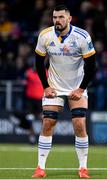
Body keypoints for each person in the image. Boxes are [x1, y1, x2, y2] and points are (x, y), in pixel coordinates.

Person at [32, 5, 96, 179]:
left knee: (79, 125)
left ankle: (83, 168)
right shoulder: (45, 35)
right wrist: (45, 86)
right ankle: (40, 168)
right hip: (54, 86)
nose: (57, 21)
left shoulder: (82, 37)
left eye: (60, 17)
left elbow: (91, 66)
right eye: (54, 17)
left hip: (77, 86)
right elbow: (39, 63)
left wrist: (81, 88)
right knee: (47, 124)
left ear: (69, 19)